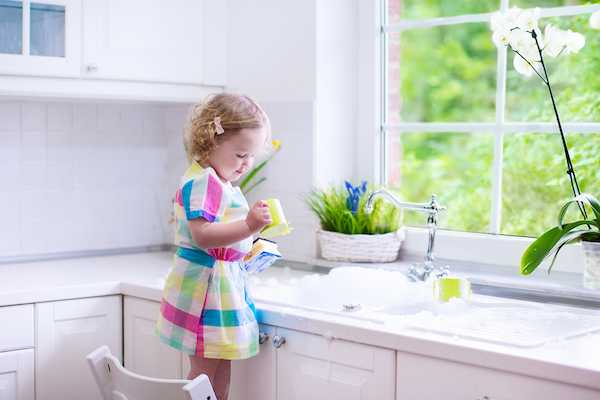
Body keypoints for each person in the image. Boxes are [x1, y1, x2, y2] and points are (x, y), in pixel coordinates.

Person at [155, 93, 272, 400]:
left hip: (219, 283)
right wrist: (248, 226)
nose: (246, 164)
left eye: (251, 157)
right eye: (240, 155)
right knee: (205, 372)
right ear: (210, 141)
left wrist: (248, 244)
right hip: (204, 290)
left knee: (220, 367)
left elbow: (221, 234)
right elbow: (202, 235)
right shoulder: (203, 182)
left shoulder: (218, 182)